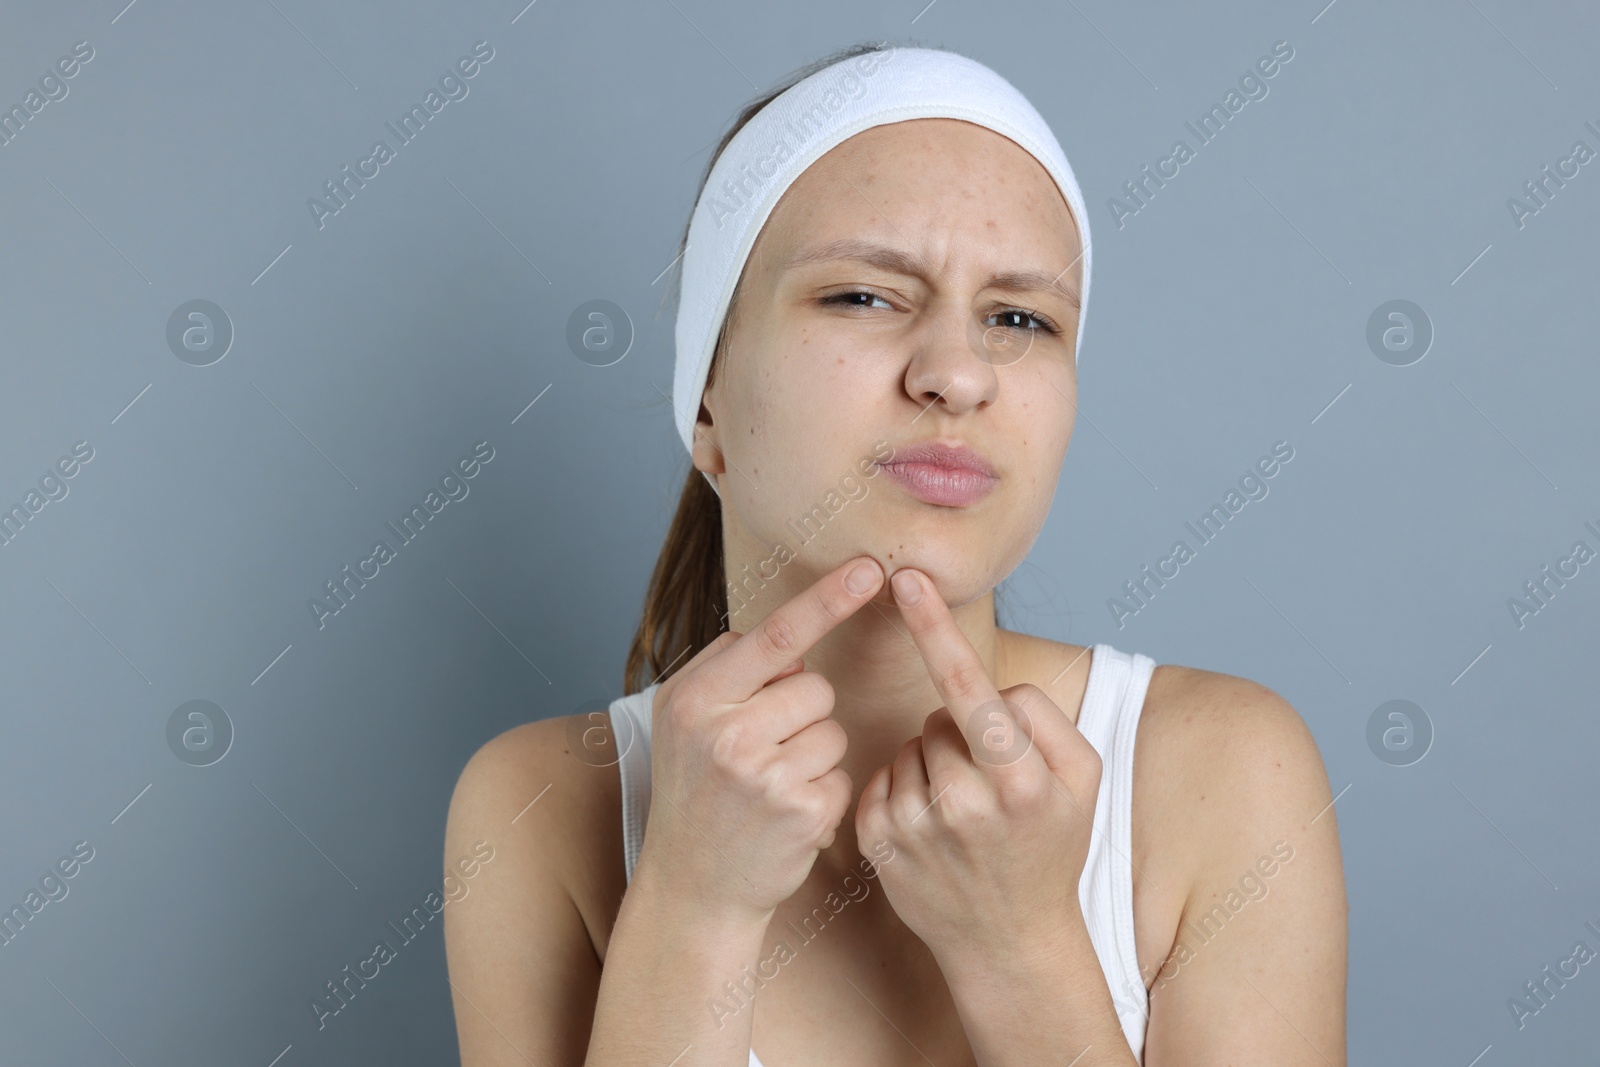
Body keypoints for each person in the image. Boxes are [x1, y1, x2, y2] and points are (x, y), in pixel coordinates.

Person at [443, 40, 1347, 1066]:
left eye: (1019, 317)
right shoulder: (533, 808)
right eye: (864, 296)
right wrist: (690, 914)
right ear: (707, 401)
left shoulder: (1224, 772)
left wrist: (1021, 947)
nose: (958, 374)